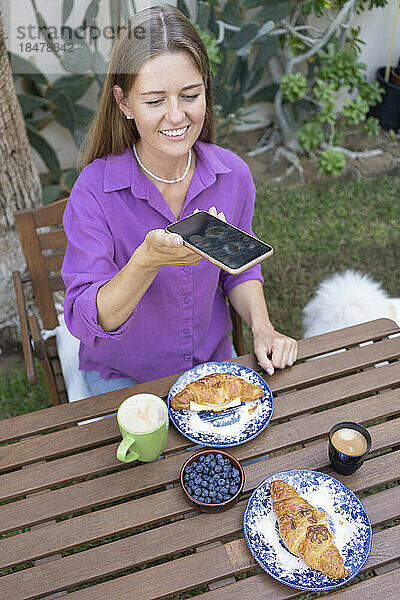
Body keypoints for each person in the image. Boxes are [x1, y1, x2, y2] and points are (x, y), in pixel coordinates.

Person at [61, 4, 298, 397]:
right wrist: (147, 260)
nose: (176, 116)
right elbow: (90, 319)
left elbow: (237, 269)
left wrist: (263, 327)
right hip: (123, 378)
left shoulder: (232, 175)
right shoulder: (94, 191)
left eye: (190, 95)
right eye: (155, 101)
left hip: (212, 365)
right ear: (124, 103)